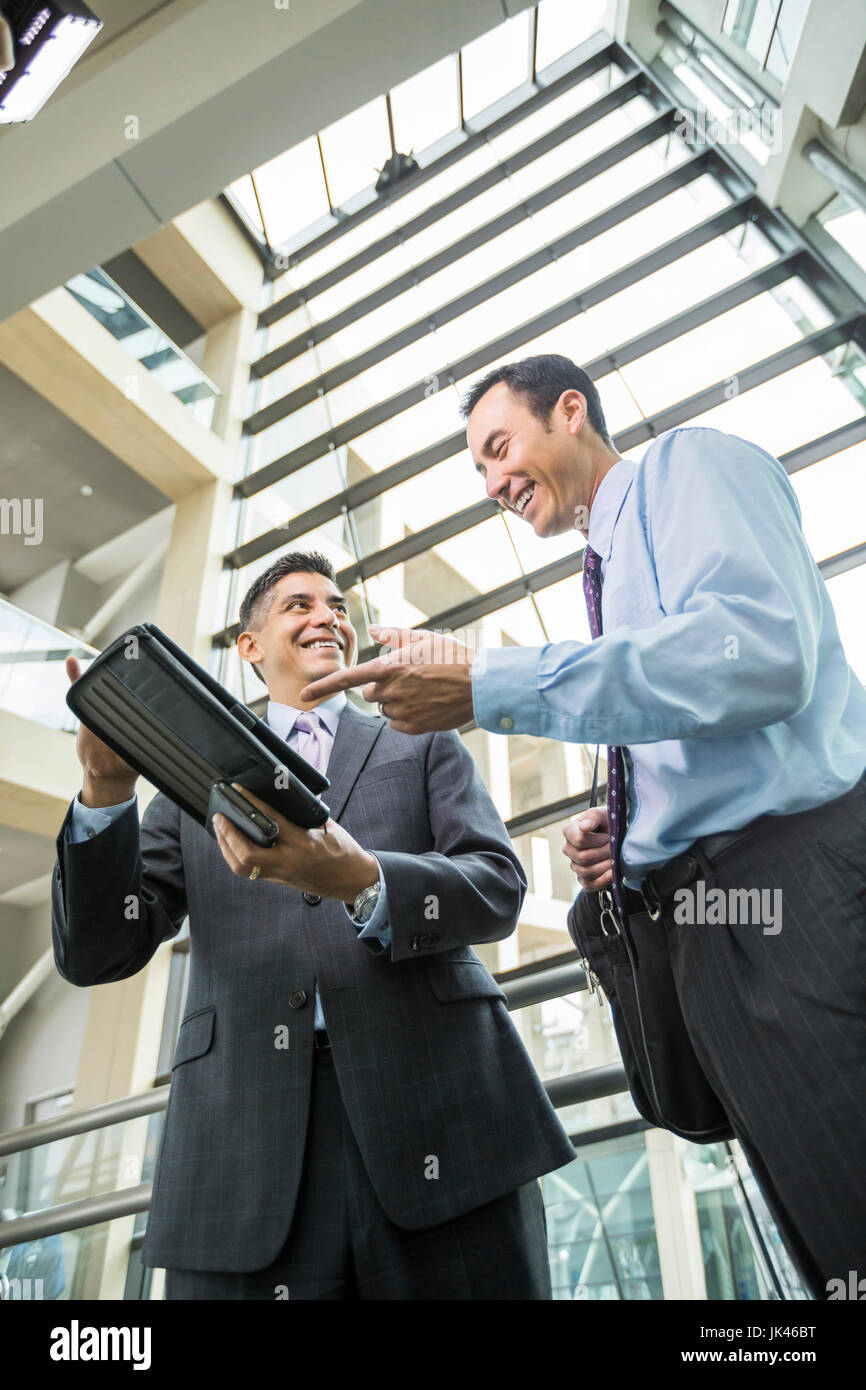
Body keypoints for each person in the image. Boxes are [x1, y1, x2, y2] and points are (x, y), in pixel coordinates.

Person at [302, 354, 866, 1299]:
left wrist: (489, 683)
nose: (492, 485)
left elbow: (762, 654)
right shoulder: (607, 573)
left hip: (794, 903)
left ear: (572, 411)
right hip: (720, 932)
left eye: (498, 448)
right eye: (478, 473)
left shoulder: (691, 465)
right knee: (823, 1233)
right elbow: (705, 702)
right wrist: (637, 824)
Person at [51, 550, 575, 1301]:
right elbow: (100, 951)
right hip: (246, 1147)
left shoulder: (420, 740)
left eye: (337, 606)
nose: (328, 616)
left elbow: (496, 889)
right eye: (299, 605)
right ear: (250, 646)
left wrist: (366, 882)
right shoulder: (189, 777)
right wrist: (105, 792)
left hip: (440, 1118)